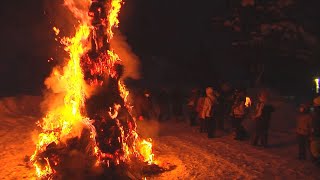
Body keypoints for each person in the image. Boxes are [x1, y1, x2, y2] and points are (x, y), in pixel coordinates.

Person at [310, 96, 320, 165]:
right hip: (316, 133)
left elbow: (316, 123)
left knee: (315, 149)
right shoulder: (316, 112)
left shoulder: (317, 112)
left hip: (317, 134)